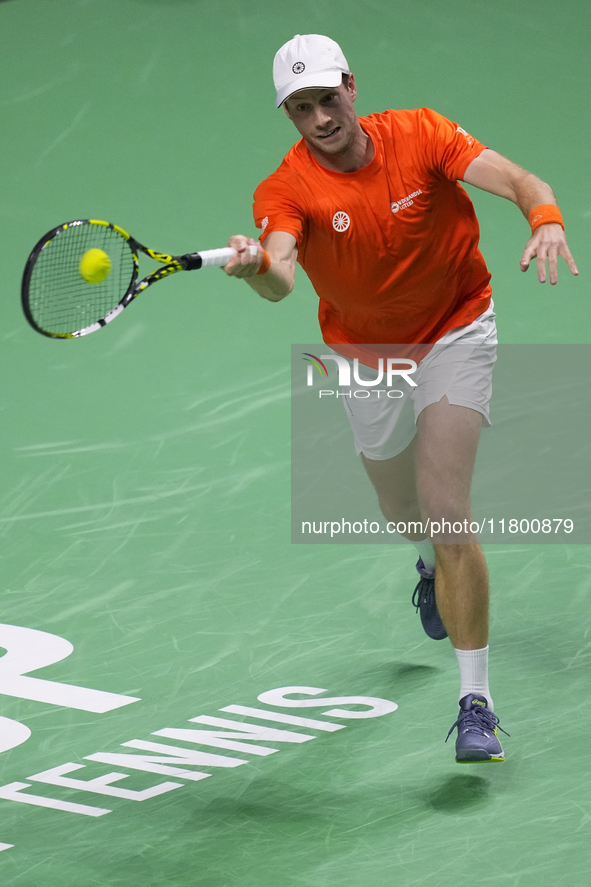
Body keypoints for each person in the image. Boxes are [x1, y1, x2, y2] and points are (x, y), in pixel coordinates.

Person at [222, 34, 578, 762]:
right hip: (362, 350)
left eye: (326, 98)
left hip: (455, 325)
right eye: (299, 108)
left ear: (350, 87)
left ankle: (473, 700)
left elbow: (519, 179)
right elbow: (282, 276)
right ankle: (426, 566)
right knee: (400, 506)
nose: (318, 117)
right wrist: (257, 265)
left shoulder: (420, 133)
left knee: (447, 508)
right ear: (287, 114)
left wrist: (544, 221)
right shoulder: (284, 190)